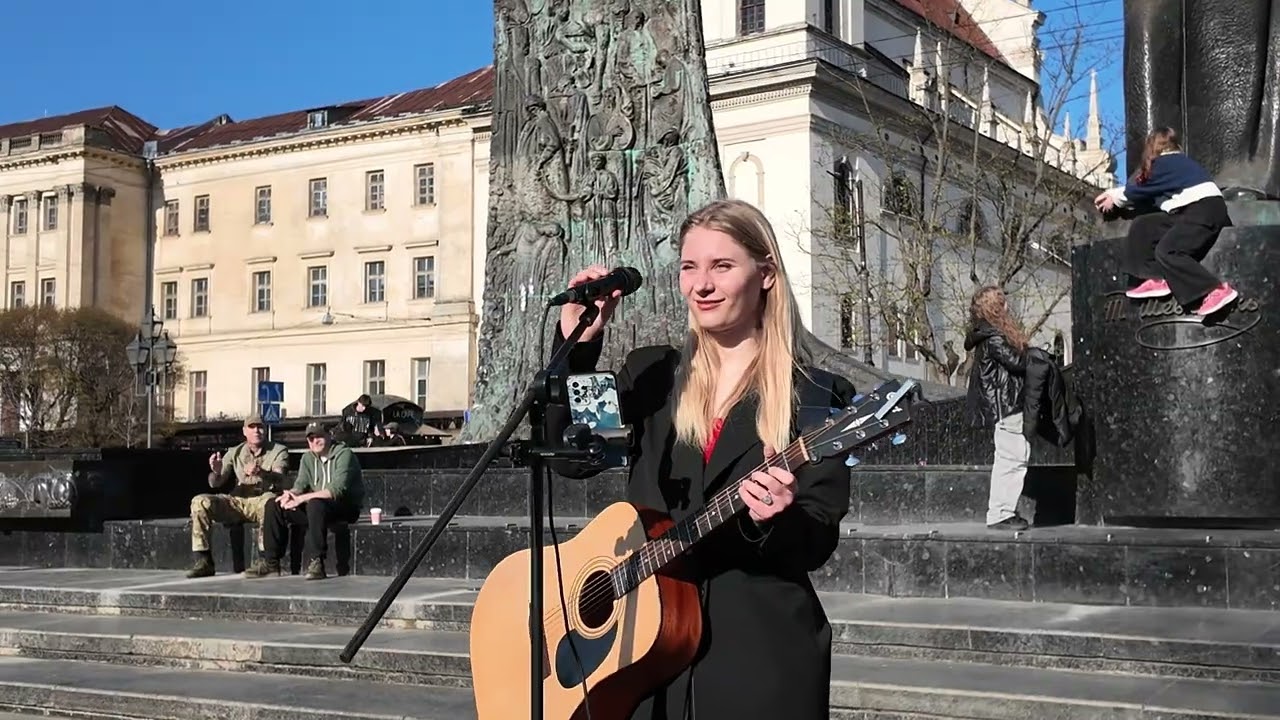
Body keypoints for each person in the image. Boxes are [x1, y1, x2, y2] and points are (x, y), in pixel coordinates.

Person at [546, 198, 855, 720]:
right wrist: (577, 346)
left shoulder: (817, 396)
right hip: (643, 657)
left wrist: (776, 518)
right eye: (689, 267)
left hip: (757, 660)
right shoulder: (651, 374)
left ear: (766, 275)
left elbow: (817, 537)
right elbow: (572, 455)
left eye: (722, 266)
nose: (701, 285)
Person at [1094, 127, 1238, 317]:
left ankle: (1215, 290)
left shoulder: (1165, 163)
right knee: (1145, 226)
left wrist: (1113, 197)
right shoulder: (1177, 164)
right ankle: (1154, 277)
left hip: (1203, 210)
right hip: (1188, 210)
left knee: (1169, 251)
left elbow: (1138, 188)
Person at [243, 422, 364, 580]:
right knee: (274, 504)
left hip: (344, 507)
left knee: (315, 503)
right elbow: (300, 485)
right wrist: (290, 495)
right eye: (311, 438)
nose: (315, 441)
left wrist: (301, 498)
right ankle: (271, 563)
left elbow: (336, 490)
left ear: (329, 435)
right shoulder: (308, 458)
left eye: (319, 437)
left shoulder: (344, 454)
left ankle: (317, 561)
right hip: (318, 509)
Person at [185, 413, 290, 578]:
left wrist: (261, 472)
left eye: (260, 427)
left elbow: (280, 479)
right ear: (244, 431)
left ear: (265, 429)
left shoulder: (278, 450)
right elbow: (215, 483)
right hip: (239, 501)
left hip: (262, 499)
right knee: (200, 501)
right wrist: (216, 471)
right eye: (252, 427)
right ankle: (203, 560)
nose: (256, 431)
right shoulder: (235, 452)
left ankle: (264, 560)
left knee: (270, 503)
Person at [964, 286, 1031, 531]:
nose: (1007, 306)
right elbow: (1017, 362)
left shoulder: (986, 335)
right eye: (1002, 302)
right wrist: (1034, 355)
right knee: (1013, 458)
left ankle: (1002, 510)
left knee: (1009, 457)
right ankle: (1001, 513)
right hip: (1006, 405)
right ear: (996, 308)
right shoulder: (994, 337)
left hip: (1003, 405)